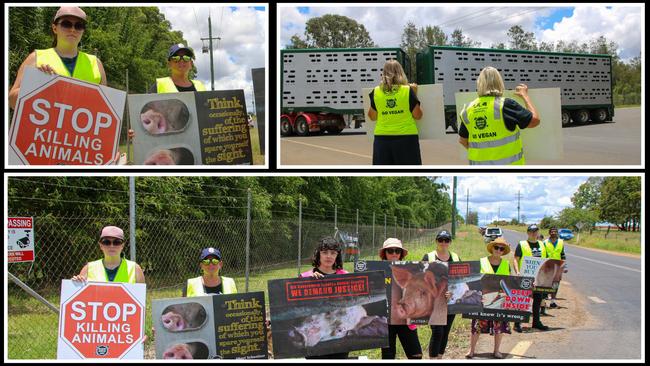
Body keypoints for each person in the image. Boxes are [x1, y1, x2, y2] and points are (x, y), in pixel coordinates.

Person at [9, 6, 107, 110]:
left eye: (78, 26)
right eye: (66, 24)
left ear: (83, 31)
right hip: (44, 124)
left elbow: (105, 106)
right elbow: (12, 101)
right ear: (55, 28)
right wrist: (36, 85)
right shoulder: (36, 58)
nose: (73, 29)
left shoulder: (96, 64)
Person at [457, 66, 540, 165]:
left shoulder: (467, 109)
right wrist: (525, 96)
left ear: (479, 84)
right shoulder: (505, 105)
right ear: (499, 83)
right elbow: (534, 121)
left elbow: (463, 140)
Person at [299, 236, 348, 359]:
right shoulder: (305, 277)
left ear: (337, 255)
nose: (329, 256)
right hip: (314, 336)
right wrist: (310, 283)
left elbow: (350, 304)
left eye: (333, 253)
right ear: (318, 254)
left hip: (338, 336)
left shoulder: (346, 276)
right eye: (325, 252)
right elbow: (297, 307)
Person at [367, 60, 423, 165]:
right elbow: (418, 115)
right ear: (400, 73)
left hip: (382, 139)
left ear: (384, 74)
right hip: (406, 138)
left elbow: (372, 117)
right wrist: (415, 94)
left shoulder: (376, 91)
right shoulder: (407, 90)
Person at [466, 237, 511, 359]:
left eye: (501, 249)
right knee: (476, 326)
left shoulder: (507, 265)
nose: (498, 250)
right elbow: (473, 280)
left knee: (499, 327)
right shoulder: (481, 262)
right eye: (496, 247)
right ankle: (472, 350)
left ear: (503, 251)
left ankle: (496, 351)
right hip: (482, 299)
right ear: (492, 248)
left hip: (499, 300)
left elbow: (510, 283)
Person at [378, 238, 422, 360]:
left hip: (406, 321)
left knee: (416, 355)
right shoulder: (375, 271)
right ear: (384, 254)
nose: (394, 254)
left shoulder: (412, 270)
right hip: (386, 322)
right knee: (388, 357)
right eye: (390, 251)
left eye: (397, 251)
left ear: (401, 254)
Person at [422, 230, 459, 359]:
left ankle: (439, 358)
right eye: (441, 240)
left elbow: (459, 279)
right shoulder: (429, 256)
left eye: (446, 240)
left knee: (445, 332)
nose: (443, 243)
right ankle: (432, 359)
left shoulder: (455, 257)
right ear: (436, 241)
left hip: (450, 302)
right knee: (437, 332)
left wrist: (453, 292)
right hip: (434, 302)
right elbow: (421, 279)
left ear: (450, 242)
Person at [71, 226, 145, 283]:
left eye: (117, 242)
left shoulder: (135, 269)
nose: (111, 246)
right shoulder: (88, 268)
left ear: (122, 245)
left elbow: (140, 300)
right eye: (106, 242)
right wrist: (76, 284)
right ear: (101, 245)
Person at [513, 224, 549, 332]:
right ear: (528, 233)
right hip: (525, 276)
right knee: (522, 300)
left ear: (538, 232)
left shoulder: (542, 245)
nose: (534, 233)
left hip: (538, 277)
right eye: (531, 231)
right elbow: (516, 258)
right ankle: (517, 323)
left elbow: (546, 260)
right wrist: (517, 271)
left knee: (537, 300)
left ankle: (536, 322)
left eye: (535, 231)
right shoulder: (522, 244)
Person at [544, 227, 567, 308]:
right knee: (545, 284)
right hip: (547, 266)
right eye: (552, 231)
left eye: (555, 231)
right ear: (549, 232)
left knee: (555, 284)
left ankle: (552, 302)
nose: (553, 233)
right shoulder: (545, 242)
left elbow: (563, 255)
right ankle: (543, 302)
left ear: (557, 233)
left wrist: (565, 266)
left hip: (558, 266)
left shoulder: (561, 242)